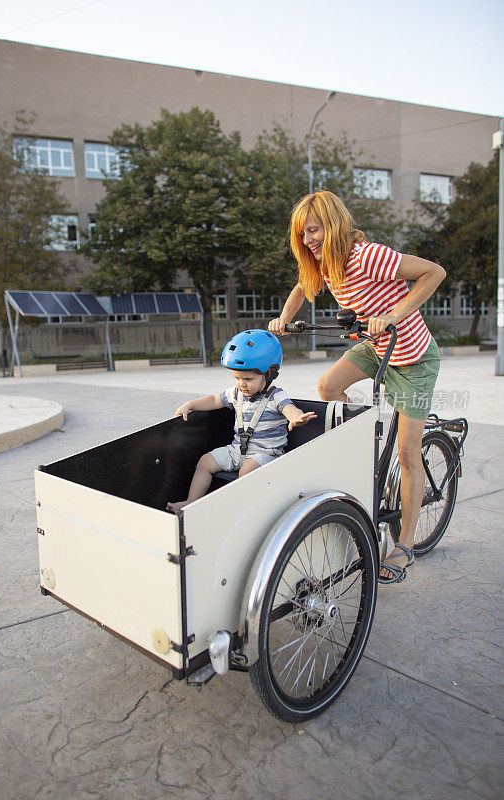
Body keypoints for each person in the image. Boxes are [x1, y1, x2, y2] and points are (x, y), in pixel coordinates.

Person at [268, 190, 445, 585]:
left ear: (332, 224)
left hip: (413, 359)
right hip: (377, 347)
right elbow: (302, 287)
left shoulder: (367, 256)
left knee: (407, 452)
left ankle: (405, 545)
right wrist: (283, 320)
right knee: (328, 385)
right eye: (302, 233)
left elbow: (434, 272)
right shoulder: (324, 263)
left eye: (313, 230)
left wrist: (394, 313)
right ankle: (363, 447)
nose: (309, 239)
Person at [166, 329, 316, 511]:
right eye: (237, 377)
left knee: (246, 471)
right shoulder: (236, 393)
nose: (241, 383)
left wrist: (296, 417)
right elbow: (214, 400)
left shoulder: (275, 395)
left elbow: (289, 408)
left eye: (248, 378)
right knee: (205, 462)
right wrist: (191, 404)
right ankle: (191, 501)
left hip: (266, 453)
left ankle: (238, 509)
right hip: (237, 449)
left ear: (270, 373)